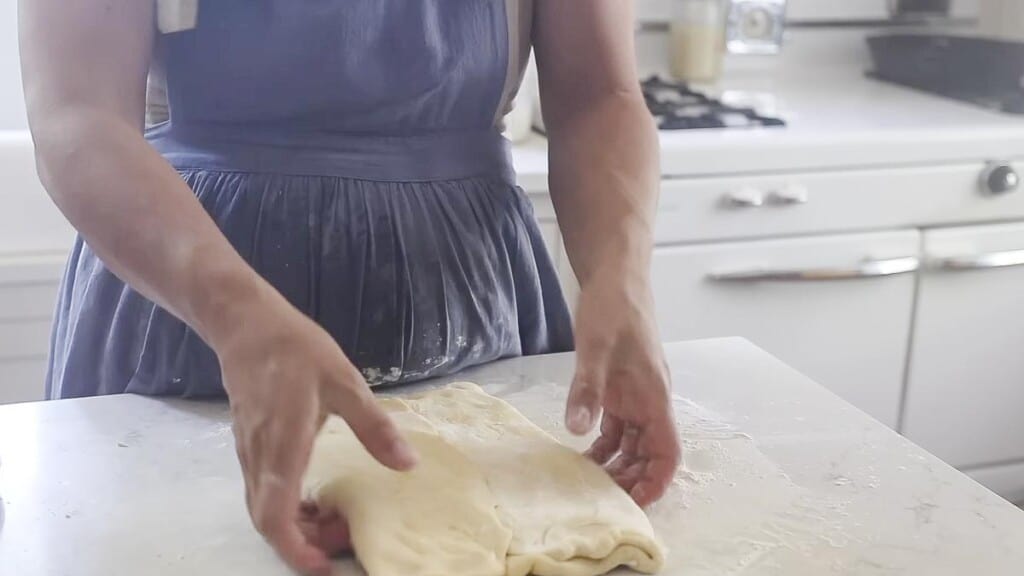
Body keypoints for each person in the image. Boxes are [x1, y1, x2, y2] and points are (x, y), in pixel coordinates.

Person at [20, 1, 681, 574]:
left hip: (475, 312)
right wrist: (237, 316)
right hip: (191, 312)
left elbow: (601, 95)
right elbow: (77, 116)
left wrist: (620, 280)